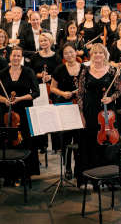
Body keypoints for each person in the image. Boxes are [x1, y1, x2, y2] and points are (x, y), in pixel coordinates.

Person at [0, 47, 41, 184]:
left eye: (19, 56)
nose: (16, 58)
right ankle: (8, 175)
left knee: (25, 142)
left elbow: (36, 93)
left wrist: (20, 98)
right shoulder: (2, 74)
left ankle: (25, 174)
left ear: (22, 58)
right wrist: (5, 101)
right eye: (14, 55)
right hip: (7, 113)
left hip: (24, 111)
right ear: (10, 57)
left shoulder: (28, 72)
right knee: (8, 143)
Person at [74, 43, 120, 181]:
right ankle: (88, 177)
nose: (98, 55)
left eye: (101, 52)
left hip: (107, 113)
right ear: (91, 55)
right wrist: (81, 114)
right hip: (89, 111)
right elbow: (80, 94)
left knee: (107, 142)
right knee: (89, 143)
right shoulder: (85, 70)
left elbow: (118, 91)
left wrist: (111, 97)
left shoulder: (112, 70)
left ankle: (109, 178)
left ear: (105, 55)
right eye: (95, 53)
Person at [50, 43, 84, 179]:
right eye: (66, 53)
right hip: (64, 105)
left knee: (79, 138)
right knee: (65, 138)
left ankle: (79, 167)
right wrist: (63, 93)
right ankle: (67, 166)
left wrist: (79, 91)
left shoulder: (84, 68)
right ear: (63, 56)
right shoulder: (59, 69)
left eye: (71, 52)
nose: (69, 55)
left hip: (80, 107)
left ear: (76, 53)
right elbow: (52, 88)